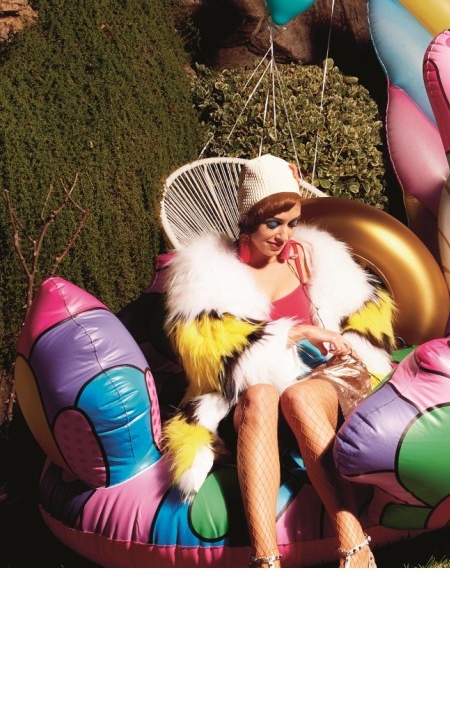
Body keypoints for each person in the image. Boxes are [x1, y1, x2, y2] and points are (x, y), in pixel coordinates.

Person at [161, 154, 397, 568]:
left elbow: (364, 316)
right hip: (252, 397)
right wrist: (293, 333)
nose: (285, 234)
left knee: (299, 397)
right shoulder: (207, 275)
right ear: (248, 220)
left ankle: (355, 544)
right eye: (273, 223)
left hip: (325, 378)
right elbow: (213, 353)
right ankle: (265, 561)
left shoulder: (313, 256)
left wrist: (335, 333)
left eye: (292, 222)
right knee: (260, 395)